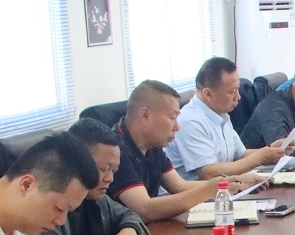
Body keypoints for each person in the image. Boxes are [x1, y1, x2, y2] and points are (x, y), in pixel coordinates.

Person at [110, 79, 265, 223]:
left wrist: (233, 182)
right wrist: (210, 190)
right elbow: (145, 209)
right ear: (145, 115)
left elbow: (179, 186)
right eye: (172, 118)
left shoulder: (152, 144)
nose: (177, 127)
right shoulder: (116, 150)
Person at [26, 119, 164, 235]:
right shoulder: (48, 197)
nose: (110, 178)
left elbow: (128, 214)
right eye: (103, 169)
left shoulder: (97, 197)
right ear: (78, 161)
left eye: (114, 170)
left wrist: (129, 230)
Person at [167, 57, 291, 180]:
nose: (238, 97)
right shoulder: (190, 121)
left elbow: (241, 155)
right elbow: (209, 173)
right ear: (208, 94)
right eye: (232, 92)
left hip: (224, 187)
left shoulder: (221, 114)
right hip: (201, 191)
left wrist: (273, 150)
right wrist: (259, 158)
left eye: (238, 89)